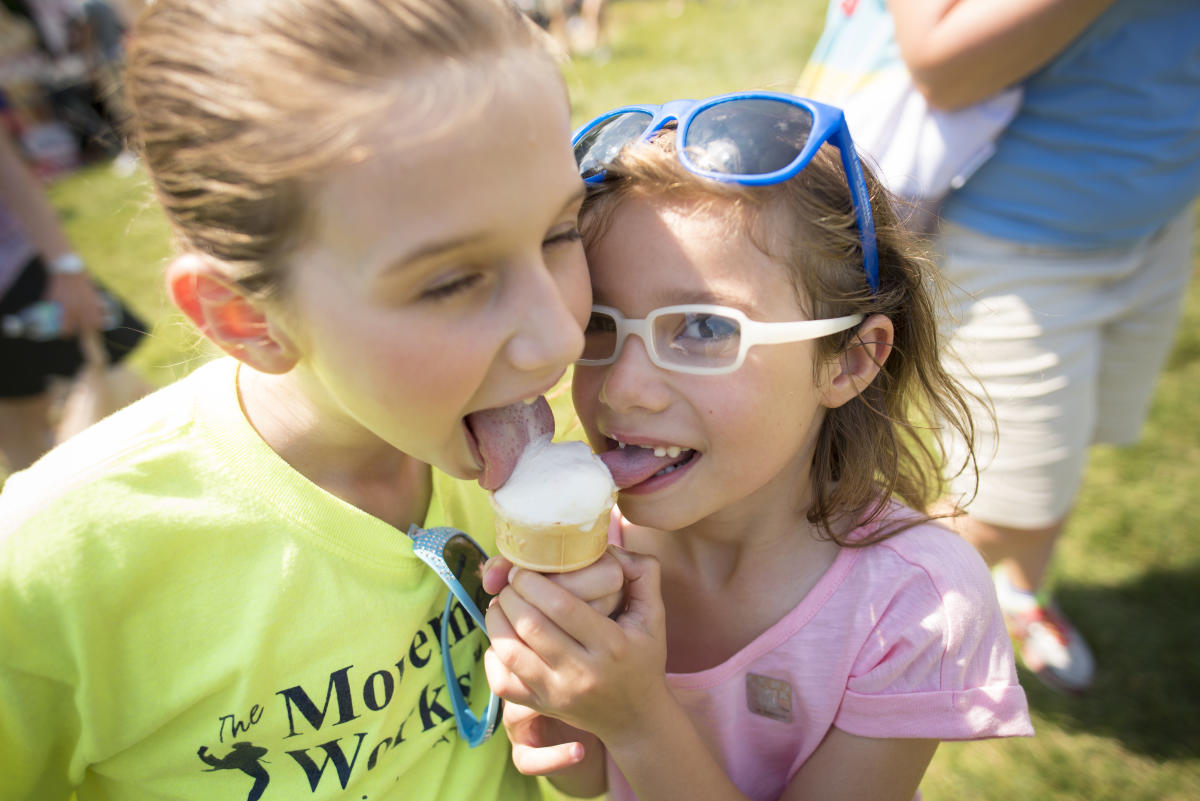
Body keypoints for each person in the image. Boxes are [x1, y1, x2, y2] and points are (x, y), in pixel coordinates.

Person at [0, 1, 624, 799]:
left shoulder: (494, 457)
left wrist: (581, 689)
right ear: (247, 317)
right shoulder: (61, 564)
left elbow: (572, 771)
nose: (560, 341)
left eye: (558, 233)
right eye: (453, 281)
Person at [481, 92, 1034, 801]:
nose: (624, 387)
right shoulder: (592, 547)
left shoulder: (915, 603)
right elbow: (583, 779)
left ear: (850, 360)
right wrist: (552, 686)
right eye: (599, 322)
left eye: (704, 330)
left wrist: (639, 717)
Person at [807, 0, 1200, 694]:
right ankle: (805, 629)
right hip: (1013, 228)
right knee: (1010, 504)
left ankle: (1022, 594)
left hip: (1156, 219)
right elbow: (941, 62)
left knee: (1065, 455)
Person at [0, 126, 146, 474]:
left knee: (120, 395)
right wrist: (64, 267)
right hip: (20, 278)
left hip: (19, 276)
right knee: (24, 426)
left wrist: (64, 267)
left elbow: (11, 173)